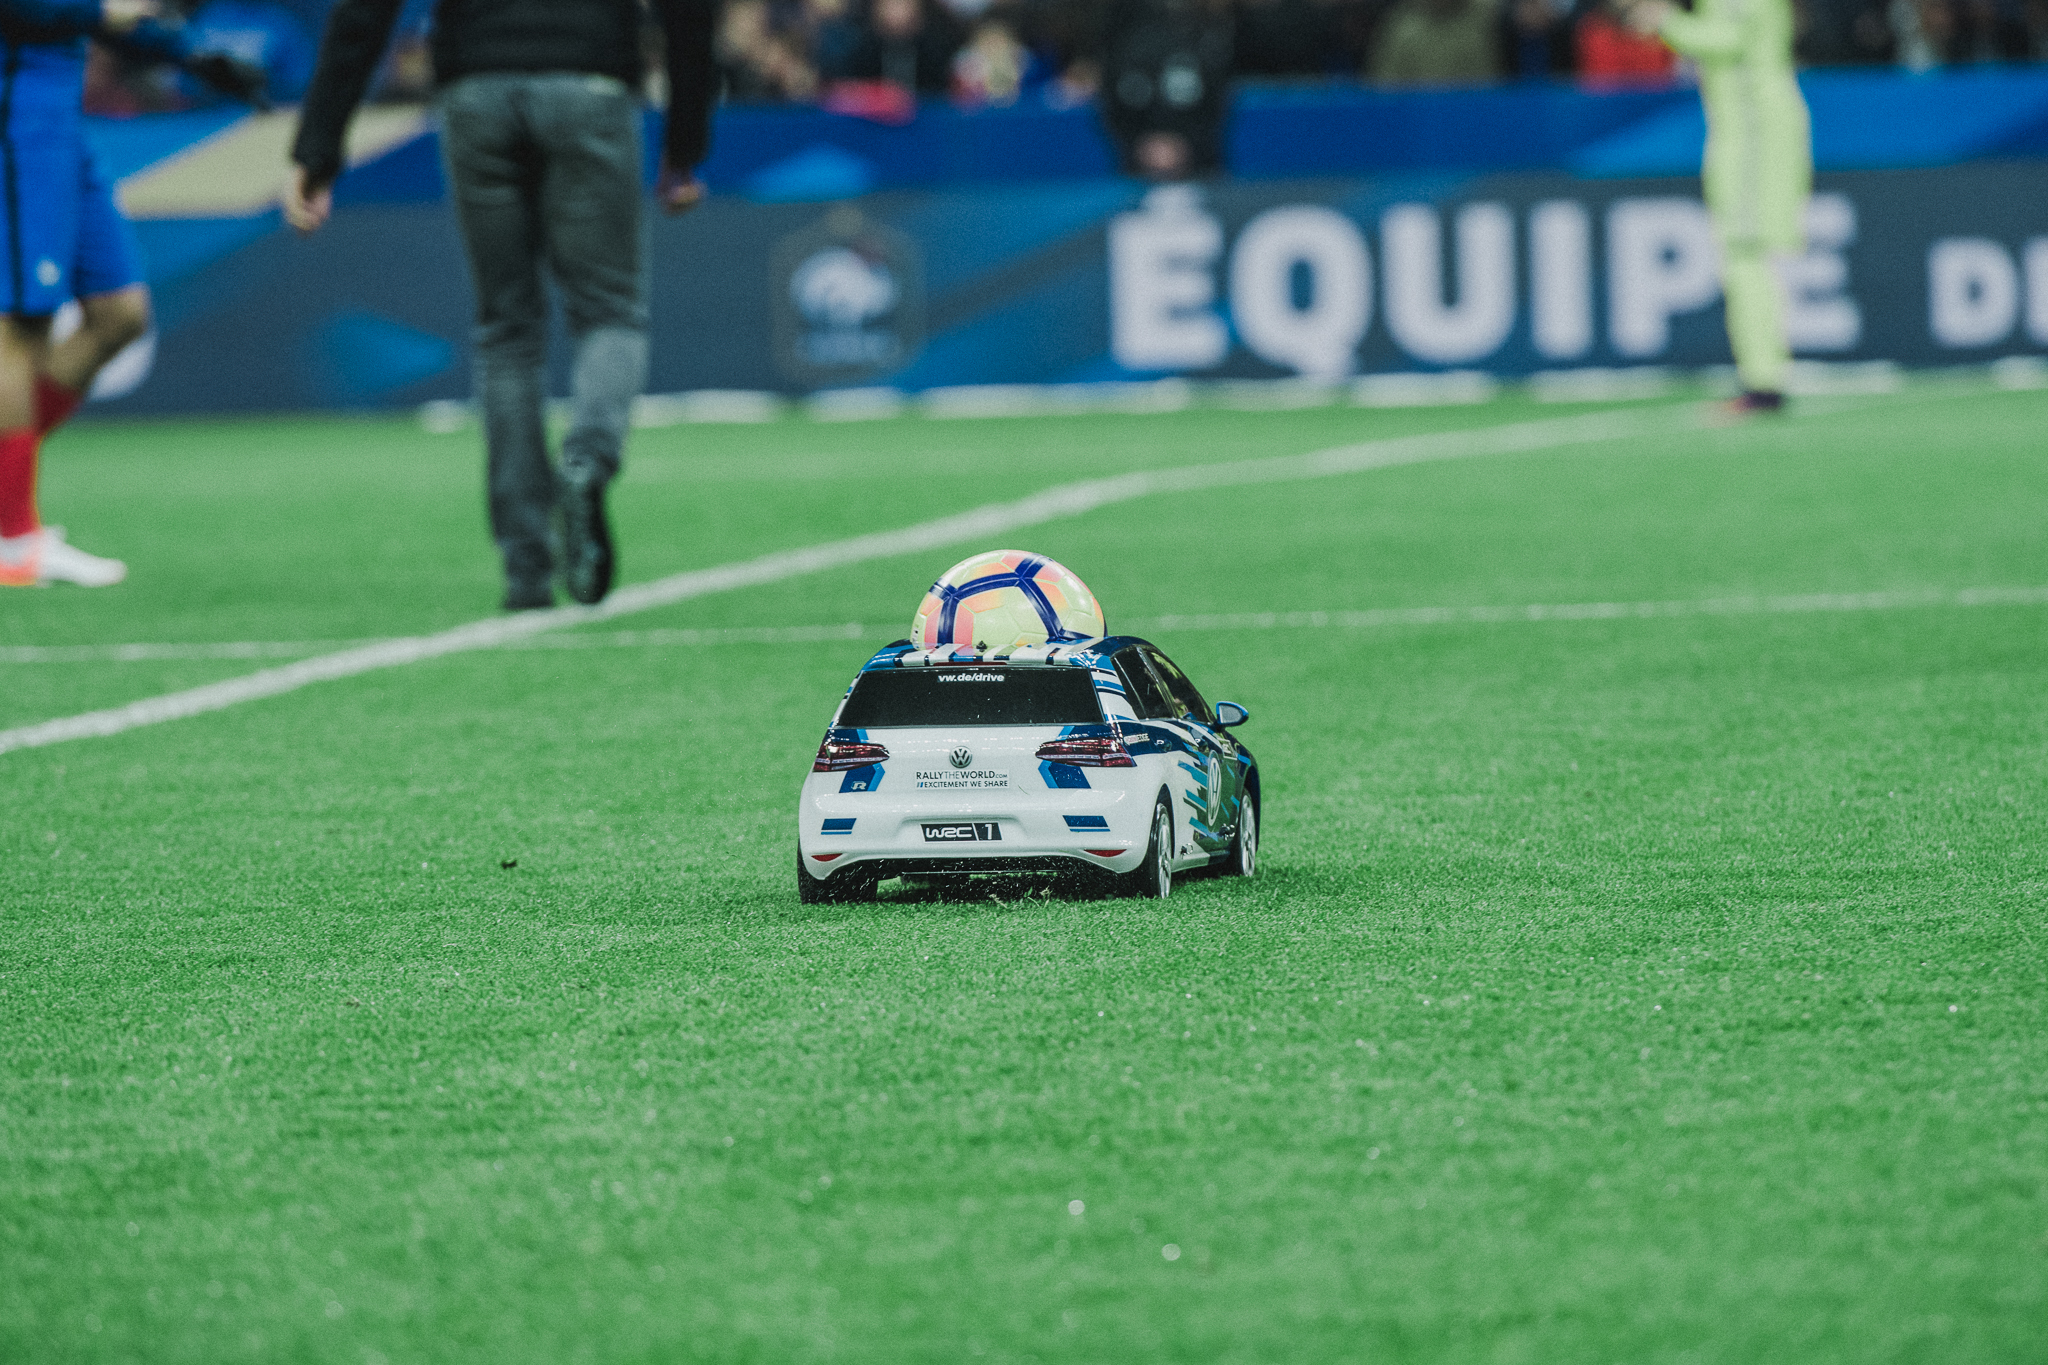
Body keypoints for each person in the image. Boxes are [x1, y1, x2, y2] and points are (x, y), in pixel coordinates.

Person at [286, 0, 718, 610]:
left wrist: (319, 147)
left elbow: (365, 12)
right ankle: (588, 459)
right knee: (609, 310)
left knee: (507, 330)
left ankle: (526, 567)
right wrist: (686, 143)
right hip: (590, 79)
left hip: (476, 85)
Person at [1633, 0, 1811, 413]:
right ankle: (1763, 377)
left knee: (1745, 253)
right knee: (1742, 254)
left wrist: (1666, 21)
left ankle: (1764, 382)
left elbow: (1728, 39)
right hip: (1741, 129)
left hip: (1755, 132)